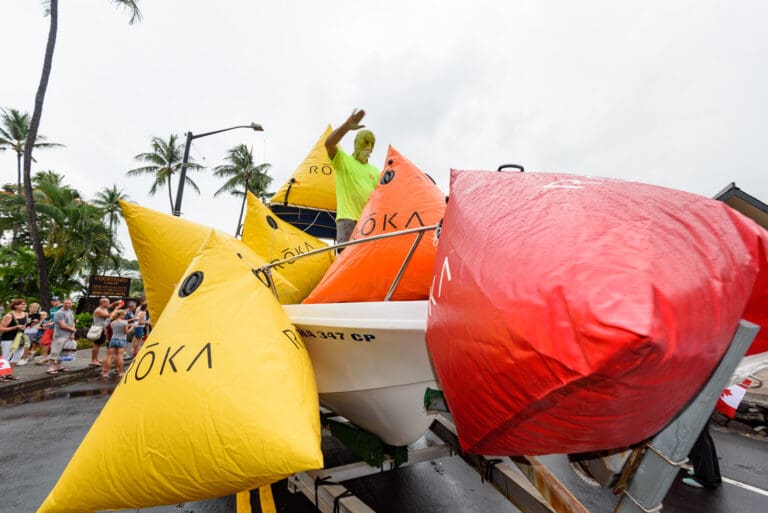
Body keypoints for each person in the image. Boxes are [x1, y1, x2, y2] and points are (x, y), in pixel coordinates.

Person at [325, 108, 380, 245]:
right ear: (357, 143)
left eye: (372, 144)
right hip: (347, 220)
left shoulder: (376, 171)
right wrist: (346, 127)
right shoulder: (343, 160)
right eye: (366, 142)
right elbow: (329, 144)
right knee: (348, 259)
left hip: (368, 223)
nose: (369, 146)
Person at [0, 298, 28, 381]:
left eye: (24, 304)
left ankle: (9, 373)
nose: (24, 305)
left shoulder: (25, 314)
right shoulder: (9, 315)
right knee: (6, 357)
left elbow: (25, 326)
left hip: (20, 339)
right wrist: (15, 327)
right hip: (8, 339)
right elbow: (1, 328)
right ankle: (1, 375)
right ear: (15, 306)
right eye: (22, 304)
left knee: (18, 356)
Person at [47, 297, 76, 375]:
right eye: (66, 303)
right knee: (55, 351)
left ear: (72, 304)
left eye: (69, 303)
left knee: (63, 351)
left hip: (68, 335)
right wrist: (73, 330)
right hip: (59, 335)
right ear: (63, 303)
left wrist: (72, 333)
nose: (67, 305)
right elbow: (62, 325)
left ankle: (59, 366)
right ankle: (50, 367)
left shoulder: (70, 311)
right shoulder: (59, 313)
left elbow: (72, 323)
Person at [102, 309, 133, 380]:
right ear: (121, 315)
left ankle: (106, 372)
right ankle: (120, 372)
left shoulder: (112, 322)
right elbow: (126, 332)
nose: (125, 316)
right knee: (119, 356)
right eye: (124, 315)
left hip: (113, 340)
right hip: (121, 340)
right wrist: (132, 327)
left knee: (109, 356)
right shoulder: (124, 322)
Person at [90, 297, 121, 367]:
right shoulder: (98, 310)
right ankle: (93, 360)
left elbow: (111, 305)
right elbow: (110, 316)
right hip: (98, 329)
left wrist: (116, 303)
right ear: (103, 303)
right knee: (96, 344)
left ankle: (96, 359)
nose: (109, 304)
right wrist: (116, 309)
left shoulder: (104, 308)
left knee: (99, 344)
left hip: (102, 328)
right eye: (107, 302)